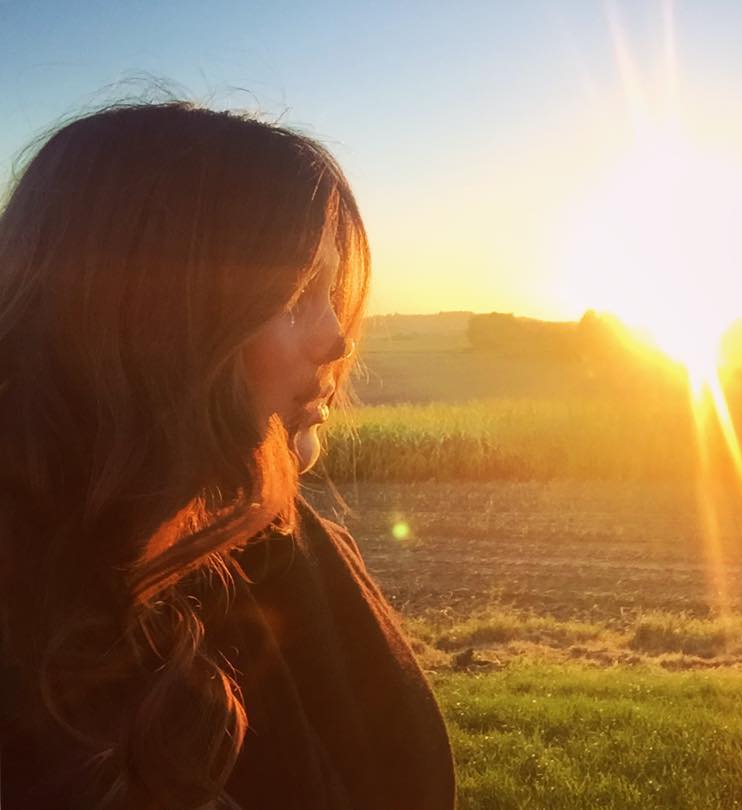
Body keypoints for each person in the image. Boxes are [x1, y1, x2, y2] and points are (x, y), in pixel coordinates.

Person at [0, 102, 456, 809]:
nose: (337, 339)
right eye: (296, 296)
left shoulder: (273, 540)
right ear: (150, 323)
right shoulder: (34, 646)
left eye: (332, 293)